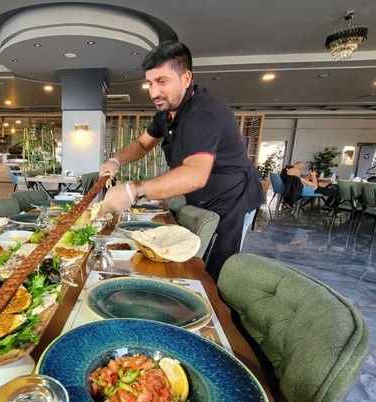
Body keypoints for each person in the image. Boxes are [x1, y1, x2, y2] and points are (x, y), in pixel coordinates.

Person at [99, 41, 263, 280]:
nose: (154, 93)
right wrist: (115, 160)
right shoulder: (166, 113)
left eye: (162, 81)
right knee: (188, 261)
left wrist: (134, 190)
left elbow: (195, 174)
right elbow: (143, 144)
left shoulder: (203, 114)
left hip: (231, 198)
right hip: (201, 197)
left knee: (213, 269)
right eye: (150, 83)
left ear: (186, 79)